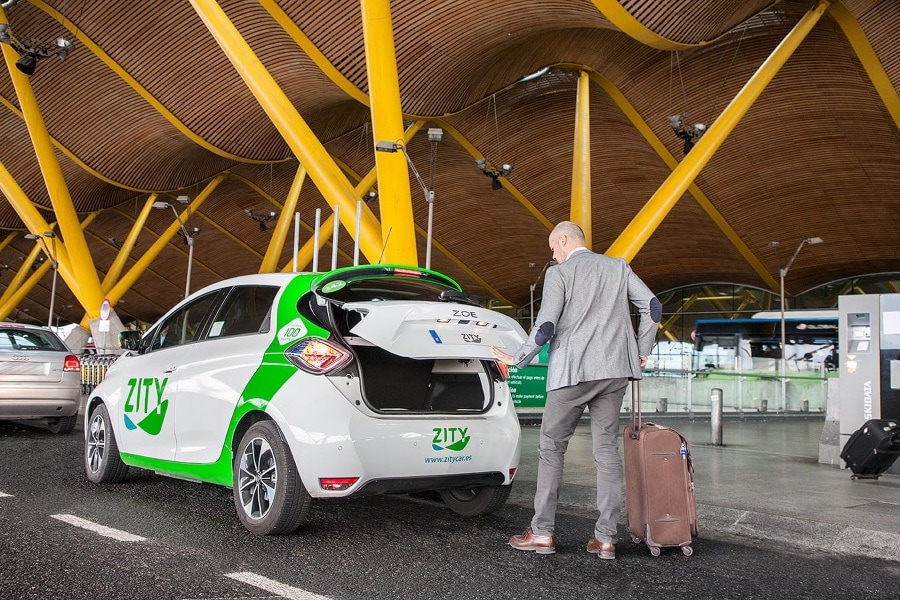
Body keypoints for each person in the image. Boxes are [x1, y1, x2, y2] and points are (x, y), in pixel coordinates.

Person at [492, 221, 660, 560]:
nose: (552, 255)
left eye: (553, 247)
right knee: (606, 453)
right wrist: (642, 350)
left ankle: (542, 533)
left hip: (572, 372)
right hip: (614, 371)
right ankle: (606, 539)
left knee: (552, 448)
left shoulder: (561, 273)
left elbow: (547, 324)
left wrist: (519, 358)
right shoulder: (617, 267)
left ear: (564, 240)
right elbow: (653, 306)